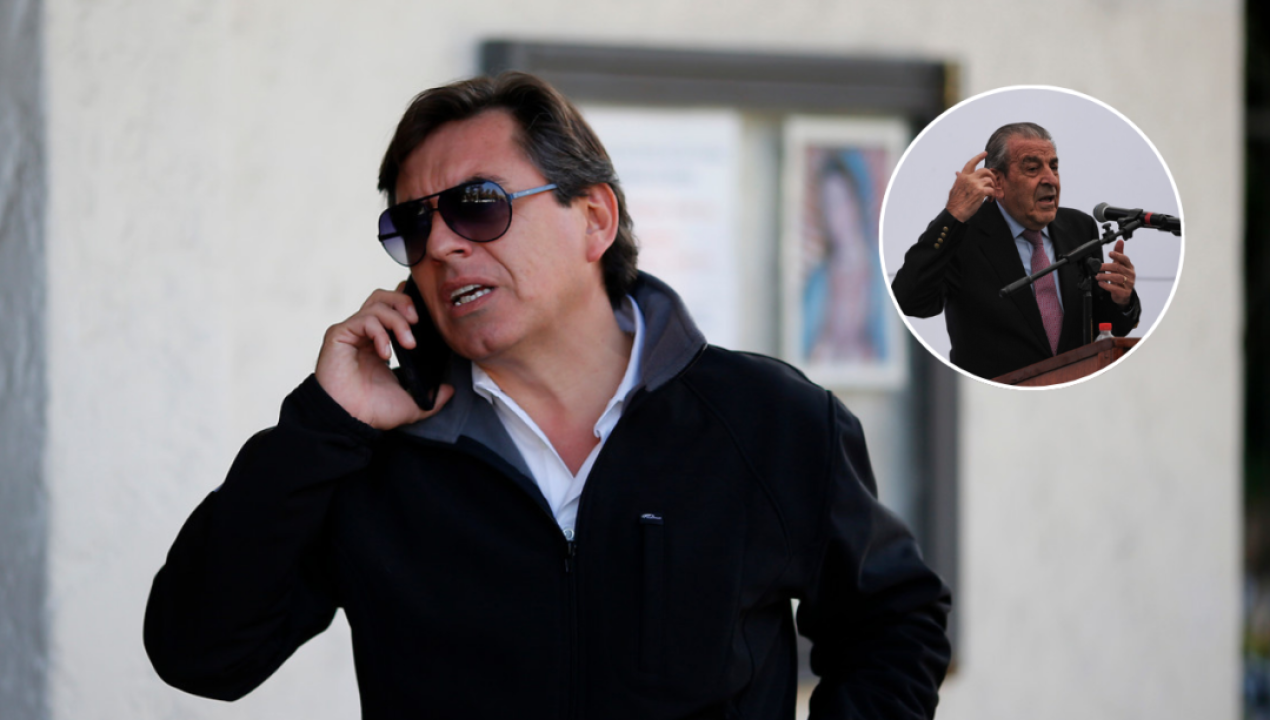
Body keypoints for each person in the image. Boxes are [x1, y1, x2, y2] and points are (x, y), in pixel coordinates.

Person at [144, 72, 951, 719]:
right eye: (413, 226)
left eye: (477, 206)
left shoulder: (767, 419)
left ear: (593, 218)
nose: (442, 245)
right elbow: (200, 653)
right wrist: (323, 425)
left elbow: (894, 623)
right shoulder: (372, 450)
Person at [891, 122, 1142, 380]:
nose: (1050, 179)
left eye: (1054, 167)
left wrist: (1122, 300)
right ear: (997, 182)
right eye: (1033, 169)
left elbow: (1106, 326)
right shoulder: (963, 234)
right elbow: (910, 301)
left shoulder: (1079, 228)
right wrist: (953, 213)